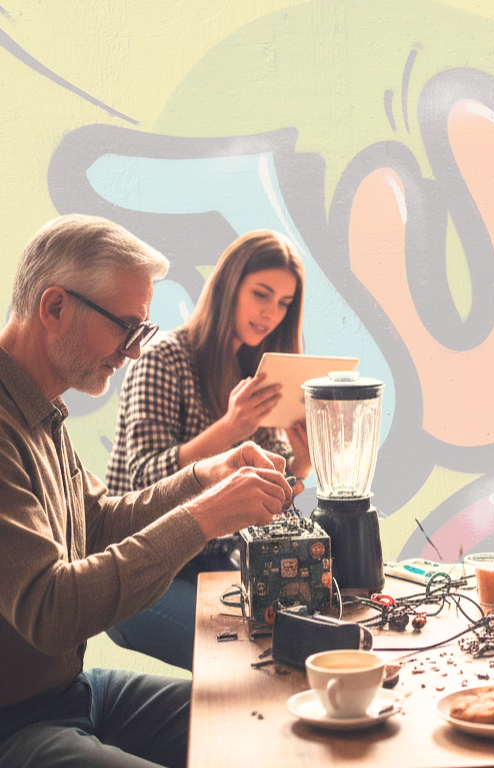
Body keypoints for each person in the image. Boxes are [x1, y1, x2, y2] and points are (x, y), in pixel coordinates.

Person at [0, 214, 297, 768]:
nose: (133, 351)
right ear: (55, 307)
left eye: (143, 333)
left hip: (76, 693)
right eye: (126, 326)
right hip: (16, 723)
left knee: (279, 726)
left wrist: (201, 477)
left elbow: (100, 523)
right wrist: (203, 516)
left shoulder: (41, 410)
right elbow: (50, 609)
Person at [104, 229, 311, 669]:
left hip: (214, 568)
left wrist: (303, 463)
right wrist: (230, 428)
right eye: (261, 294)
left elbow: (268, 501)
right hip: (141, 573)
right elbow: (143, 478)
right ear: (227, 286)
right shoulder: (165, 359)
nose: (271, 313)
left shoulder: (256, 373)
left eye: (284, 303)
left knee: (294, 641)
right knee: (248, 658)